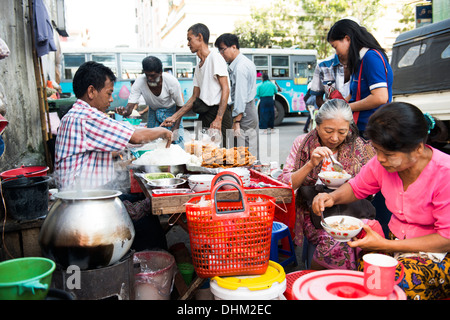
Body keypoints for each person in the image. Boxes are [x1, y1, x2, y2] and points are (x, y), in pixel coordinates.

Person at [312, 102, 450, 300]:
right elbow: (356, 187)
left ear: (418, 148)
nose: (380, 159)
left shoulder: (445, 174)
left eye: (389, 154)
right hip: (393, 243)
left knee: (391, 285)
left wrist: (385, 245)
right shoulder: (381, 163)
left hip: (438, 255)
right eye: (377, 150)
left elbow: (446, 239)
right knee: (353, 258)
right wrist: (331, 197)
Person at [55, 61, 172, 252]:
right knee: (148, 226)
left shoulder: (74, 115)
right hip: (84, 208)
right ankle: (152, 266)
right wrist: (162, 131)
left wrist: (119, 160)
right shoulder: (86, 116)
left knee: (138, 200)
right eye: (109, 93)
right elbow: (135, 137)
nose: (111, 99)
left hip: (80, 201)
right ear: (91, 91)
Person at [277, 99, 375, 270]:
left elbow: (373, 185)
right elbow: (286, 185)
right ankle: (320, 281)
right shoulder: (303, 143)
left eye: (342, 132)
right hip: (316, 211)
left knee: (369, 237)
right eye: (328, 131)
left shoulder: (361, 147)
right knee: (336, 240)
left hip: (354, 208)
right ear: (317, 124)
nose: (335, 138)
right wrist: (310, 164)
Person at [161, 23, 232, 147]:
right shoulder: (198, 67)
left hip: (219, 113)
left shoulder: (215, 57)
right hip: (204, 113)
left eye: (189, 39)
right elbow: (194, 97)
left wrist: (218, 119)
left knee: (221, 155)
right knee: (201, 151)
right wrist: (174, 117)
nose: (188, 44)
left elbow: (226, 89)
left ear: (199, 37)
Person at [327, 19, 393, 137]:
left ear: (347, 39)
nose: (336, 53)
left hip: (374, 131)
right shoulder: (360, 61)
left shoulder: (371, 57)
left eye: (335, 47)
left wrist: (346, 108)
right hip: (363, 129)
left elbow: (380, 97)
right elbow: (354, 95)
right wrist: (337, 106)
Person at [115, 56, 184, 145]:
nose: (149, 78)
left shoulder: (172, 82)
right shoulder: (139, 81)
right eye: (147, 75)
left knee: (176, 143)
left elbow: (180, 106)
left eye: (152, 75)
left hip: (173, 113)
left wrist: (175, 128)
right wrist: (124, 111)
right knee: (152, 143)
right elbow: (129, 108)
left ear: (160, 72)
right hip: (153, 111)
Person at [214, 33, 258, 153]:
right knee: (248, 149)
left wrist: (237, 122)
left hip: (243, 113)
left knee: (243, 151)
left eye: (223, 50)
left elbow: (240, 96)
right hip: (247, 110)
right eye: (219, 51)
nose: (221, 54)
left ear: (233, 47)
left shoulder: (240, 67)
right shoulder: (244, 62)